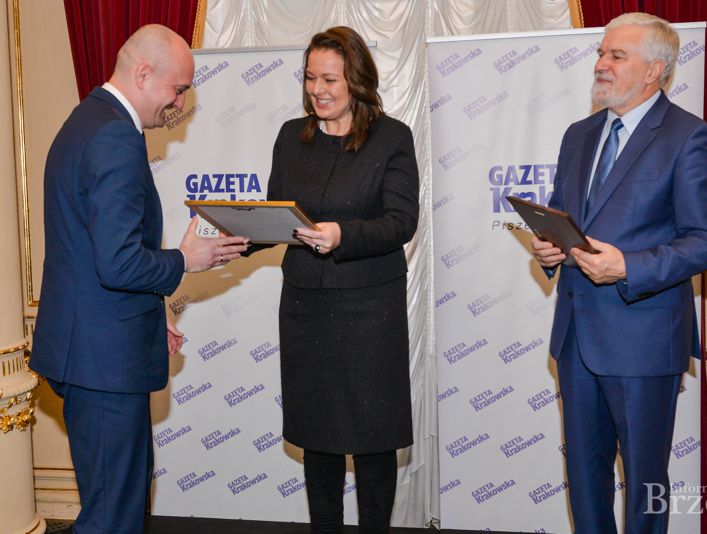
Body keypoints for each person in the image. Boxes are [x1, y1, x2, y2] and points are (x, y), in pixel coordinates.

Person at [30, 24, 249, 534]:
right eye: (178, 90)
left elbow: (90, 257)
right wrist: (185, 259)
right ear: (144, 73)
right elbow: (118, 262)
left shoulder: (87, 120)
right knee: (113, 519)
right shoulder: (114, 136)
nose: (179, 105)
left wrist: (152, 315)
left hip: (95, 351)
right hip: (104, 364)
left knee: (113, 507)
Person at [530, 13, 707, 534]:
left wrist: (629, 266)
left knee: (645, 485)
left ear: (654, 71)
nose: (601, 64)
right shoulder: (579, 135)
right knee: (584, 479)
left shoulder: (691, 138)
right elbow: (566, 218)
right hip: (575, 338)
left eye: (616, 56)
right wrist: (549, 248)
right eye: (601, 53)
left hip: (644, 341)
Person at [265, 26, 419, 533]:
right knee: (318, 435)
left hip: (370, 310)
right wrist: (230, 232)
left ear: (357, 81)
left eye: (329, 79)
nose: (317, 89)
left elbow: (401, 222)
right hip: (305, 307)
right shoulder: (291, 136)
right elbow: (277, 216)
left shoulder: (392, 137)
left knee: (374, 437)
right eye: (310, 78)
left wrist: (342, 235)